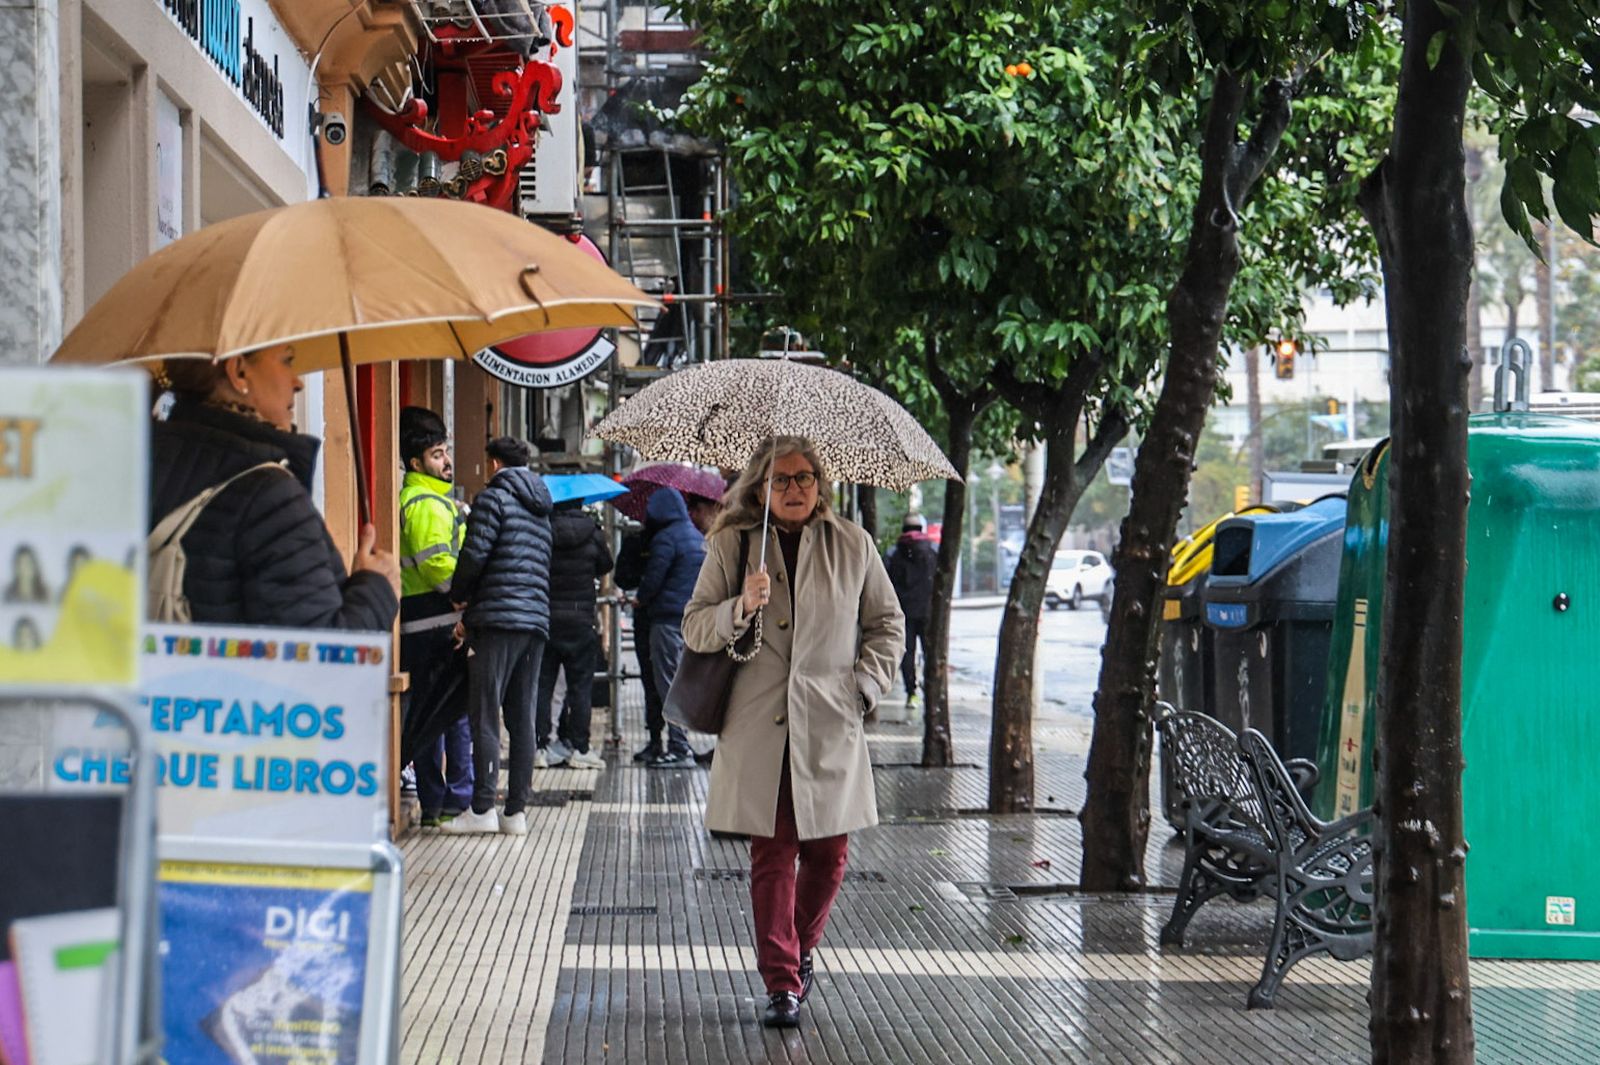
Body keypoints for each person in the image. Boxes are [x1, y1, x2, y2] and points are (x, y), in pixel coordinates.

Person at [682, 436, 904, 1029]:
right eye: (780, 480)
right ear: (760, 489)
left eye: (804, 477)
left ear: (820, 484)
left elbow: (888, 624)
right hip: (760, 728)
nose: (794, 489)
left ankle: (801, 948)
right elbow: (694, 626)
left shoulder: (852, 544)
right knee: (773, 853)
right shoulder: (733, 544)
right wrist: (739, 606)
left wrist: (864, 687)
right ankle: (781, 980)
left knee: (829, 855)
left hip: (829, 723)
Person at [148, 346, 399, 629]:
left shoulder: (142, 462)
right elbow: (320, 652)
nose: (298, 382)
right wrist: (376, 589)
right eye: (287, 361)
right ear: (239, 372)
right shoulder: (270, 496)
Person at [444, 436, 553, 836]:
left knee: (486, 712)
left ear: (493, 464)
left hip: (497, 620)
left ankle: (482, 808)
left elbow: (474, 554)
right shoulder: (541, 508)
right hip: (534, 620)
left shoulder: (493, 499)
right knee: (522, 716)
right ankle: (516, 812)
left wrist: (459, 595)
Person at [398, 409, 474, 827]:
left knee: (431, 713)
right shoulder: (426, 503)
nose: (446, 462)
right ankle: (450, 801)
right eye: (437, 455)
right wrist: (461, 595)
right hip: (436, 620)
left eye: (446, 452)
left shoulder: (429, 500)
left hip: (423, 619)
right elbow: (436, 563)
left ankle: (438, 801)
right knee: (447, 713)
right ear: (416, 463)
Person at [536, 499, 613, 770]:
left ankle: (540, 746)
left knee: (543, 686)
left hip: (548, 619)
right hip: (581, 621)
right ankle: (580, 748)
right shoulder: (593, 532)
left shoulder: (543, 530)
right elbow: (606, 565)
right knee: (580, 688)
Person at [636, 487, 706, 769]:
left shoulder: (666, 539)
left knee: (667, 683)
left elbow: (653, 579)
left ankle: (679, 746)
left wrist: (640, 598)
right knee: (681, 681)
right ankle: (680, 743)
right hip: (689, 619)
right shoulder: (696, 537)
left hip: (666, 619)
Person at [615, 527, 665, 762]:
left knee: (651, 680)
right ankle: (677, 741)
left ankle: (658, 740)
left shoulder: (640, 540)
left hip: (648, 616)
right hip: (672, 616)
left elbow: (622, 577)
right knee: (671, 681)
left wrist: (641, 592)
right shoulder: (683, 534)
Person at [885, 514, 939, 709]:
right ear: (921, 528)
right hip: (929, 611)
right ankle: (932, 693)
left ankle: (911, 694)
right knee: (930, 652)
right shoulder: (934, 550)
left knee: (907, 653)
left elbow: (885, 584)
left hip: (903, 612)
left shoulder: (893, 553)